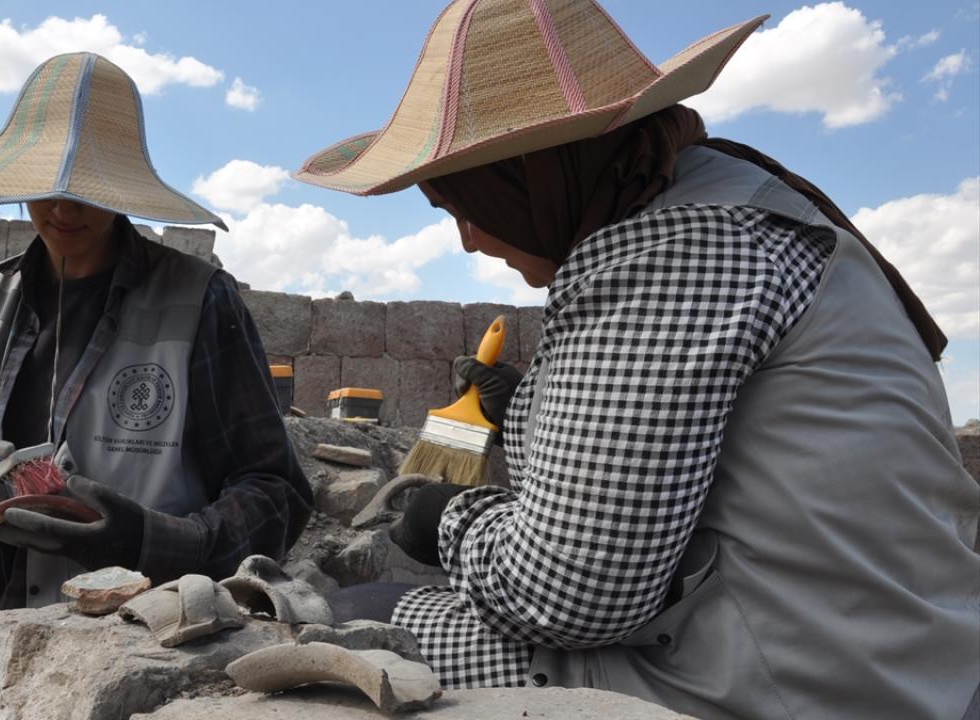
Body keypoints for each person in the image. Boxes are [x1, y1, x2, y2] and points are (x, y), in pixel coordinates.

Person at [296, 2, 979, 718]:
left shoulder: (673, 252)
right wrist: (529, 404)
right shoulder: (726, 202)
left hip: (790, 682)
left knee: (353, 622)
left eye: (467, 206)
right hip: (902, 652)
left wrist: (449, 519)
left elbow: (564, 594)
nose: (469, 238)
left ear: (531, 176)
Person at [0, 52, 312, 719]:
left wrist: (145, 541)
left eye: (86, 186)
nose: (62, 206)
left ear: (121, 187)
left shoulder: (199, 302)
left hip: (143, 635)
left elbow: (276, 494)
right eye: (45, 183)